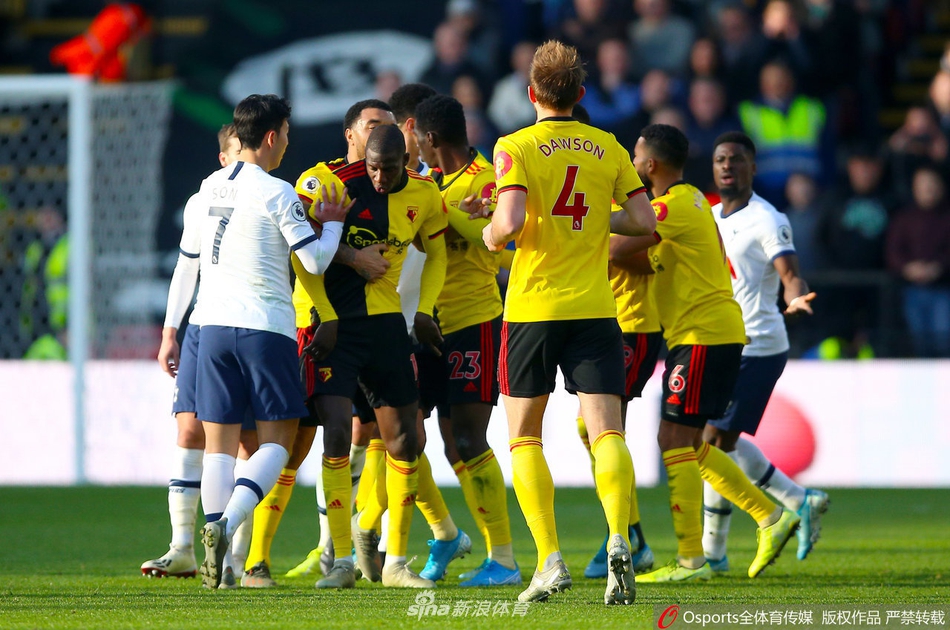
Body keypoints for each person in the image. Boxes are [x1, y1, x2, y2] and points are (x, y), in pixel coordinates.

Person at [481, 40, 657, 605]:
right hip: (595, 308)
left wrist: (490, 233)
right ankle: (617, 541)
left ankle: (549, 560)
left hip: (533, 308)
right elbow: (642, 220)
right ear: (581, 94)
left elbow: (507, 223)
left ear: (531, 93)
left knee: (524, 436)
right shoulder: (607, 146)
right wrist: (585, 220)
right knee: (609, 431)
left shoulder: (515, 144)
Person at [160, 94, 350, 590]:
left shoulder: (204, 190)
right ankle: (222, 526)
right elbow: (313, 263)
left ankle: (220, 565)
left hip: (210, 328)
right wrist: (332, 225)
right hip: (264, 329)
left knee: (219, 448)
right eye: (286, 134)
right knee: (277, 444)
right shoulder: (277, 191)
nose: (287, 144)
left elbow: (188, 264)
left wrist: (169, 330)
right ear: (271, 137)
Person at [610, 124, 800, 584]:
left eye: (636, 158)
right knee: (688, 443)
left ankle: (694, 560)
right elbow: (636, 257)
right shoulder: (693, 200)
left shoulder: (668, 207)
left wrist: (569, 216)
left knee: (673, 441)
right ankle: (769, 519)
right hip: (705, 333)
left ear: (650, 165)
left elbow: (615, 243)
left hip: (703, 335)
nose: (633, 166)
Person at [245, 99, 397, 588]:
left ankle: (344, 549)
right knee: (297, 442)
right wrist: (353, 261)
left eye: (388, 127)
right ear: (350, 133)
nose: (381, 133)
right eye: (373, 125)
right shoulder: (318, 182)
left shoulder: (404, 184)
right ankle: (256, 559)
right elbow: (302, 255)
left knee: (378, 436)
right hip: (321, 326)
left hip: (379, 328)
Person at [306, 124, 449, 589]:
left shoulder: (426, 195)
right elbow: (299, 249)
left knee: (406, 442)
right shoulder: (332, 184)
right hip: (337, 329)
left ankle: (396, 563)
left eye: (388, 168)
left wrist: (424, 310)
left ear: (406, 161)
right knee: (334, 436)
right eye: (372, 168)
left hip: (388, 327)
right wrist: (324, 313)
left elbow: (438, 253)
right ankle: (341, 561)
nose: (379, 178)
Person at [703, 131, 829, 572]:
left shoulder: (767, 218)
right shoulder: (709, 215)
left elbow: (790, 272)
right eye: (721, 159)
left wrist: (796, 295)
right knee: (713, 443)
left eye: (737, 159)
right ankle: (796, 503)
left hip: (758, 344)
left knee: (710, 443)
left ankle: (717, 548)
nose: (727, 166)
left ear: (753, 168)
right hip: (719, 341)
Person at [412, 93, 520, 587]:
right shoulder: (428, 184)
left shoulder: (487, 184)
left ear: (430, 138)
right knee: (417, 438)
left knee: (468, 438)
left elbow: (501, 245)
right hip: (423, 325)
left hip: (472, 321)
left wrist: (459, 217)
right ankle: (450, 535)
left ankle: (504, 558)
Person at [144, 124, 256, 582]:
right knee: (189, 432)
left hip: (252, 326)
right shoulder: (200, 201)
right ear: (222, 159)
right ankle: (183, 549)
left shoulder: (272, 197)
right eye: (233, 157)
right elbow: (185, 270)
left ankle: (234, 560)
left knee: (249, 443)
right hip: (202, 326)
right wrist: (170, 331)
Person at [567, 104, 656, 582]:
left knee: (601, 426)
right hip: (605, 315)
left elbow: (638, 250)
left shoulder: (645, 199)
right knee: (593, 427)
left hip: (635, 324)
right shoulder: (606, 180)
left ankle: (631, 535)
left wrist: (583, 234)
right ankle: (629, 531)